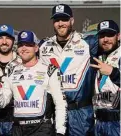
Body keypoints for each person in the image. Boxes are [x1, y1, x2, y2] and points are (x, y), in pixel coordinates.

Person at [0, 30, 67, 136]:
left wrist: (60, 131)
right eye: (21, 45)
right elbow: (2, 103)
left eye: (28, 45)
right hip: (17, 129)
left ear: (36, 47)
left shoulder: (50, 70)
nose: (24, 48)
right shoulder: (11, 71)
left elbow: (60, 103)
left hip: (42, 128)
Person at [39, 4, 98, 136]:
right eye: (57, 20)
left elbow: (111, 42)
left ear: (72, 21)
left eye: (64, 19)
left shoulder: (89, 43)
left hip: (80, 113)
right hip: (54, 113)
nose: (60, 23)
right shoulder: (43, 46)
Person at [90, 20, 120, 136]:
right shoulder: (99, 57)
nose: (105, 39)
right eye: (102, 36)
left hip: (117, 123)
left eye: (109, 35)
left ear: (118, 36)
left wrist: (113, 73)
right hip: (99, 122)